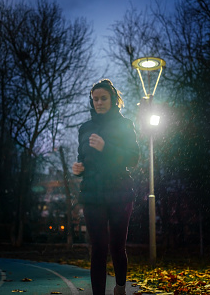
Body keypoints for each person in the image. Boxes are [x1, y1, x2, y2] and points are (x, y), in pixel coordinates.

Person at [72, 79, 140, 295]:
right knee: (98, 249)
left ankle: (120, 287)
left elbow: (133, 158)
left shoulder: (125, 124)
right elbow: (82, 157)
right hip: (92, 195)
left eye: (103, 98)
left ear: (112, 100)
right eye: (95, 99)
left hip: (120, 193)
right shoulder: (85, 128)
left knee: (117, 248)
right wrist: (78, 168)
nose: (99, 102)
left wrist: (106, 147)